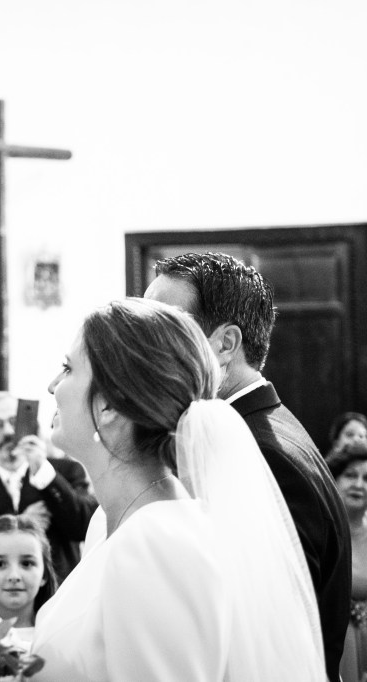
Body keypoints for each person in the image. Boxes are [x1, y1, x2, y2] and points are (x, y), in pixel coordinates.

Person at [31, 297, 326, 680]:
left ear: (109, 406)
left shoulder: (156, 544)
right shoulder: (106, 522)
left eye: (68, 369)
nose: (52, 386)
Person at [145, 251, 350, 681]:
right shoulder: (258, 428)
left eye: (165, 327)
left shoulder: (265, 454)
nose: (146, 345)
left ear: (224, 344)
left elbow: (272, 635)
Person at [0, 392, 96, 590]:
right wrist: (17, 524)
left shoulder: (66, 472)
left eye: (14, 421)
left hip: (60, 594)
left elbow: (85, 526)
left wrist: (42, 471)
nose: (8, 431)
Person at [0, 514, 57, 652]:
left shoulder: (59, 636)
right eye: (0, 564)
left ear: (44, 575)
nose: (14, 576)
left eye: (27, 563)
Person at [327, 442, 367, 682]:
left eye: (366, 478)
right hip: (337, 644)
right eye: (351, 475)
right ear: (335, 479)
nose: (359, 484)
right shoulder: (327, 531)